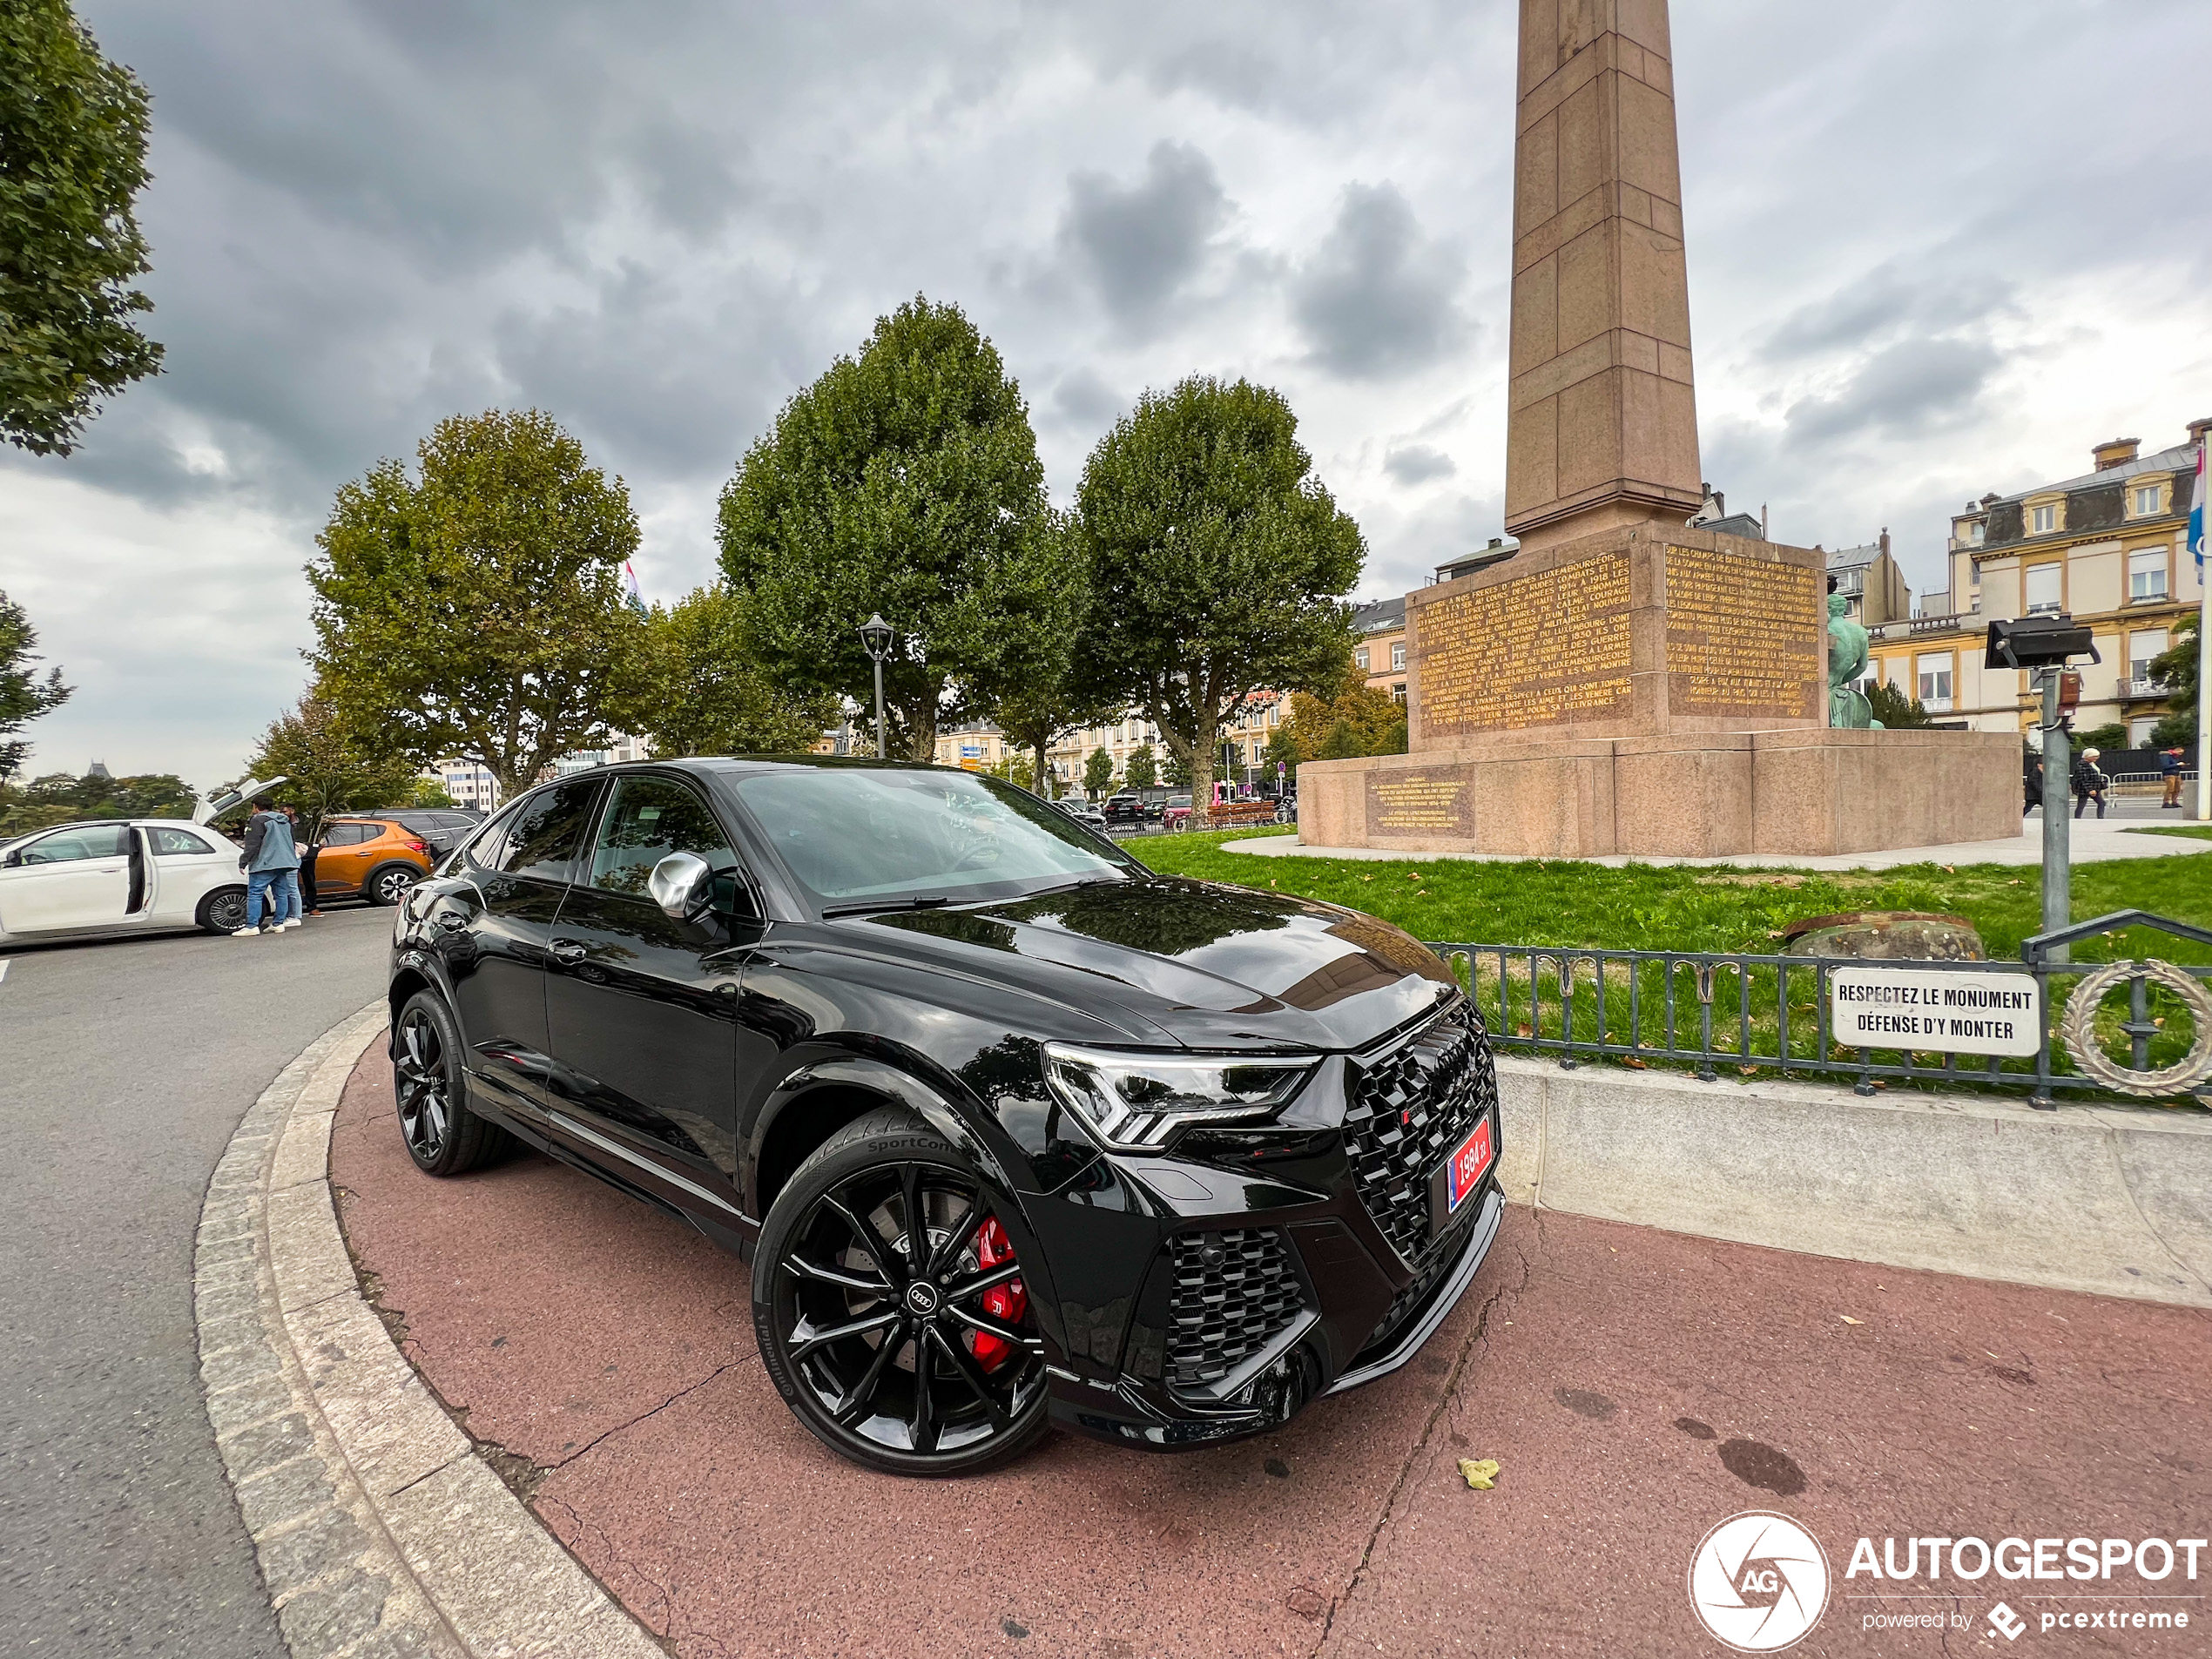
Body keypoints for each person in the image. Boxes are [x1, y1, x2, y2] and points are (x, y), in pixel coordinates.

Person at [234, 796, 302, 934]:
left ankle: (252, 926)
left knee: (255, 894)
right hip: (285, 862)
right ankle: (278, 923)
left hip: (265, 863)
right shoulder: (284, 821)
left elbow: (253, 844)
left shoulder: (258, 820)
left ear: (255, 806)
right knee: (281, 894)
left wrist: (243, 862)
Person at [2073, 747, 2109, 820]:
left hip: (2094, 788)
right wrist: (2090, 789)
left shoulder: (2091, 764)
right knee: (2081, 804)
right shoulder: (2082, 766)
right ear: (2088, 756)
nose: (2097, 758)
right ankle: (2077, 819)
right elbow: (2083, 779)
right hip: (2086, 789)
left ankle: (2100, 818)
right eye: (2095, 756)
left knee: (2101, 803)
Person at [2161, 745, 2185, 809]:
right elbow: (2165, 766)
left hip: (2176, 773)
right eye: (2180, 753)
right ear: (2176, 750)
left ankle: (2174, 801)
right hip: (2169, 774)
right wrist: (2177, 764)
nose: (2180, 754)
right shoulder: (2166, 756)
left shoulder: (2175, 757)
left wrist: (2180, 766)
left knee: (2177, 789)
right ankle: (2166, 802)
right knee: (2170, 788)